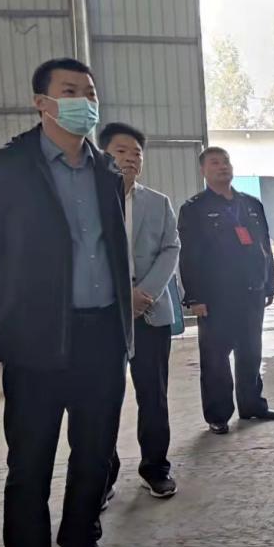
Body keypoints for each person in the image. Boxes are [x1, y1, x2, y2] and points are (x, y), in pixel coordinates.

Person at [0, 58, 135, 547]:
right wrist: (10, 310)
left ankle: (81, 544)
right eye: (70, 91)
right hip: (36, 341)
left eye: (90, 92)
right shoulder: (4, 169)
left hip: (102, 334)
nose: (85, 101)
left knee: (94, 452)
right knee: (30, 458)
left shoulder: (106, 171)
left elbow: (113, 249)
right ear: (42, 103)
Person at [99, 122, 180, 501]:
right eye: (121, 151)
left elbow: (171, 248)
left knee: (153, 395)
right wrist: (120, 297)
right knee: (102, 399)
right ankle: (102, 475)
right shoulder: (90, 202)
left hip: (150, 313)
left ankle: (155, 468)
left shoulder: (157, 202)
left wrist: (145, 293)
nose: (130, 158)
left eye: (137, 153)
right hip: (104, 316)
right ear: (102, 155)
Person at [178, 148, 274, 434]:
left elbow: (264, 245)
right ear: (203, 170)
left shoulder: (251, 204)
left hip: (251, 291)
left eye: (226, 162)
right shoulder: (194, 208)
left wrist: (269, 282)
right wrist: (195, 296)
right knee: (216, 358)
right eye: (215, 163)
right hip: (215, 296)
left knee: (251, 351)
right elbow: (189, 255)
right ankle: (218, 414)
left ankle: (252, 405)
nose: (222, 166)